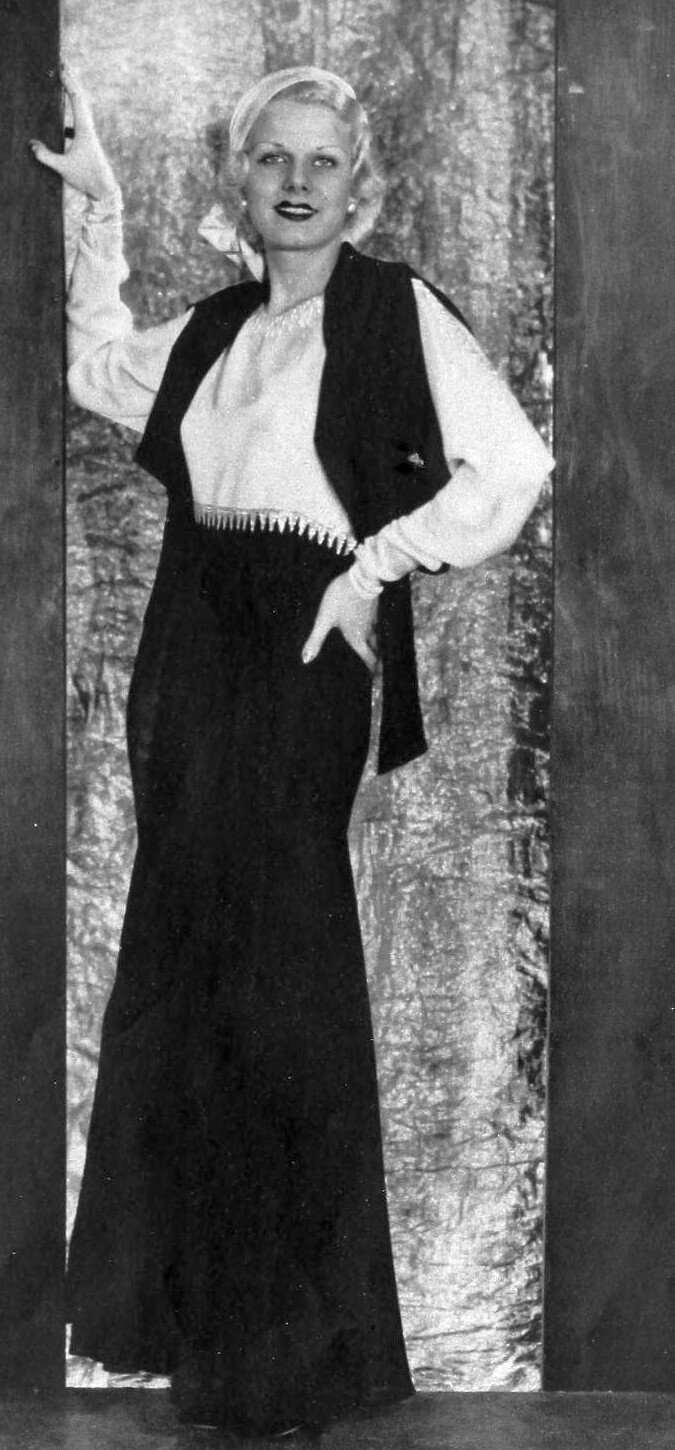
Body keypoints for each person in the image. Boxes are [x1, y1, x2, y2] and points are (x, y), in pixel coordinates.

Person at [33, 62, 553, 1440]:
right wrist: (102, 210)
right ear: (243, 185)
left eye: (325, 160)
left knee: (281, 981)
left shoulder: (395, 313)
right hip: (195, 650)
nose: (300, 181)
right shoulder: (217, 328)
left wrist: (372, 569)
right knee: (196, 971)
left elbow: (512, 468)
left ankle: (299, 1357)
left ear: (359, 187)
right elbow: (93, 369)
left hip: (304, 649)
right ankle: (220, 1349)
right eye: (275, 158)